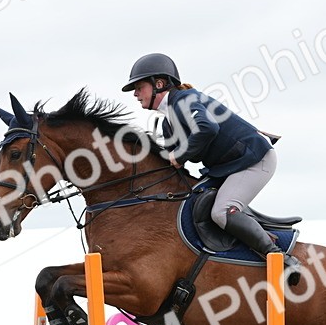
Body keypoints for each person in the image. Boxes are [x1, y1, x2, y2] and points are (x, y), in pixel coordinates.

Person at [122, 53, 303, 285]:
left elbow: (207, 128)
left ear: (159, 84)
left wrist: (180, 155)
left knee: (221, 212)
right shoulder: (168, 122)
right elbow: (172, 165)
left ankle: (280, 257)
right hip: (229, 166)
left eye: (139, 87)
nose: (136, 94)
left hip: (255, 160)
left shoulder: (184, 100)